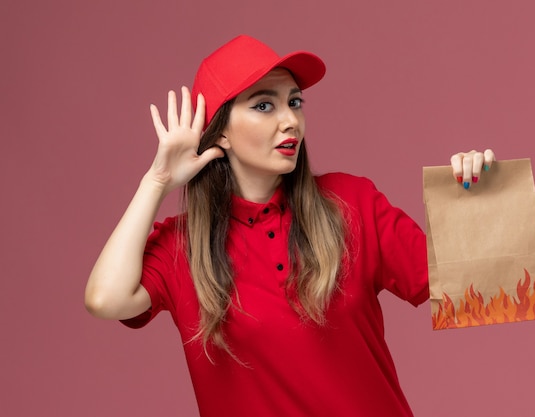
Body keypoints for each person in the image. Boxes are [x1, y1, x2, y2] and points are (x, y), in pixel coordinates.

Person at [85, 35, 495, 417]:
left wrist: (473, 200)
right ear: (220, 131)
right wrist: (156, 182)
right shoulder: (183, 248)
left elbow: (475, 289)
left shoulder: (350, 203)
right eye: (264, 105)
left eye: (294, 102)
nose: (290, 121)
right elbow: (105, 299)